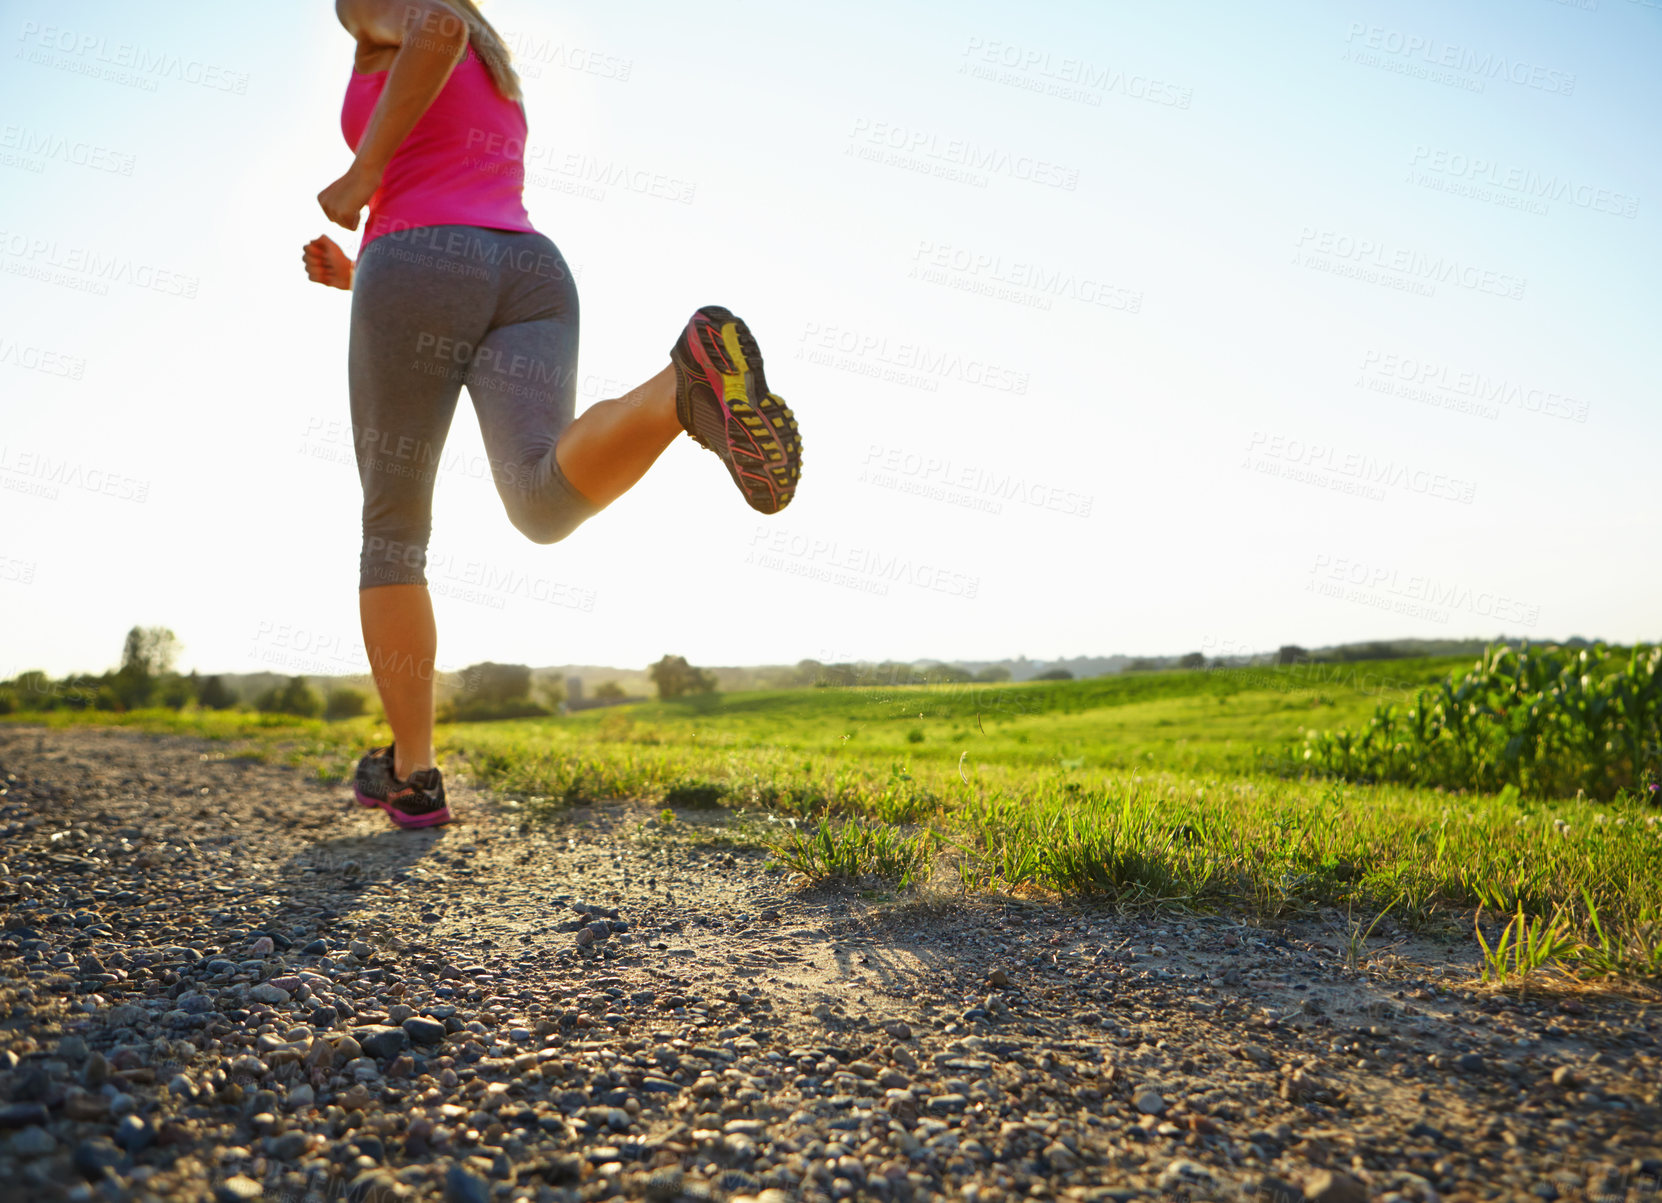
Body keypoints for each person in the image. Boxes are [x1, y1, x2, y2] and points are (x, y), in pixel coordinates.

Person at [302, 0, 802, 829]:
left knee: (394, 527)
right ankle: (680, 391)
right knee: (540, 501)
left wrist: (361, 180)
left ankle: (415, 770)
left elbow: (433, 33)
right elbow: (458, 186)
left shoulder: (381, 9)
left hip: (419, 260)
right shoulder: (489, 39)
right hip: (527, 270)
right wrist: (368, 278)